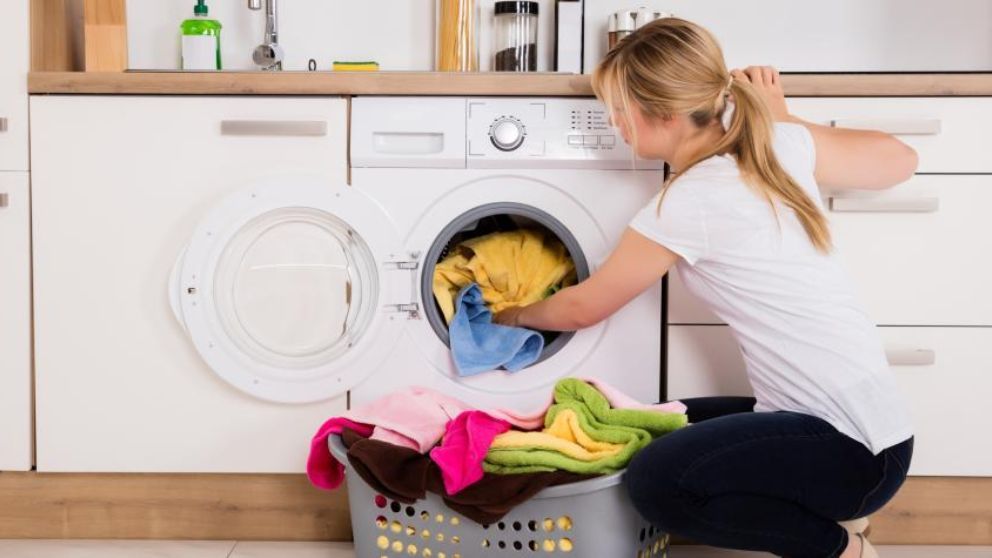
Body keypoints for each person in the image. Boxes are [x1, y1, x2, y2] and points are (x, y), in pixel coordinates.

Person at [493, 17, 917, 558]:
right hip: (876, 435)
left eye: (620, 111)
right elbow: (903, 158)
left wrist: (508, 315)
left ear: (665, 115)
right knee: (652, 423)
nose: (616, 124)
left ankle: (839, 550)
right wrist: (785, 121)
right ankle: (833, 516)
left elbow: (583, 307)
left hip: (851, 452)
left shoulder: (690, 200)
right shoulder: (777, 144)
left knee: (655, 479)